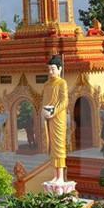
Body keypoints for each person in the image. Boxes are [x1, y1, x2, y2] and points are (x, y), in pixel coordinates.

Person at [41, 54, 68, 183]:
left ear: (59, 69)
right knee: (51, 145)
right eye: (49, 69)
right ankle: (55, 175)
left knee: (59, 145)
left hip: (58, 118)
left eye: (53, 69)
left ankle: (61, 176)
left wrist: (54, 111)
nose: (51, 72)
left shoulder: (62, 83)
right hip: (48, 117)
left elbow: (64, 101)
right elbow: (44, 100)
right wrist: (44, 111)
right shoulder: (46, 84)